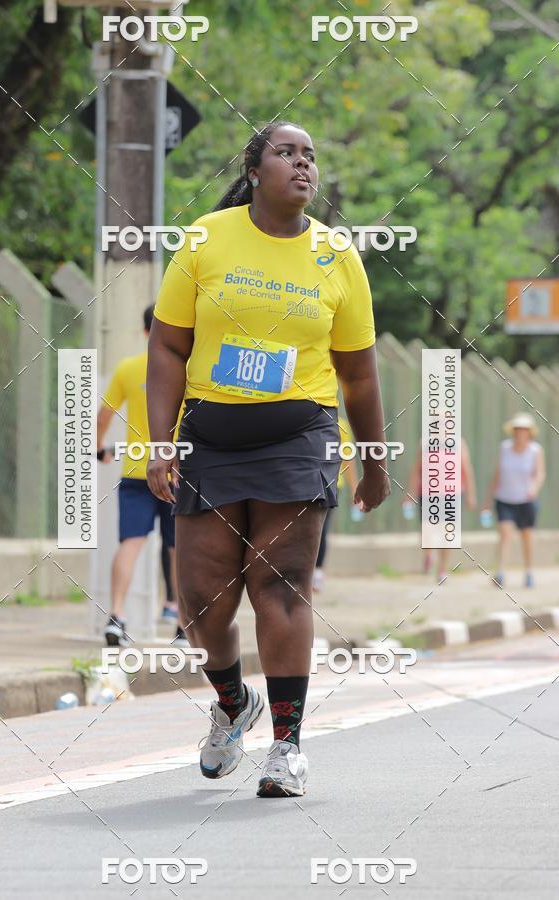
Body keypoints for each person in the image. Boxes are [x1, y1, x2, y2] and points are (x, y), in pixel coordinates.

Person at [146, 121, 389, 798]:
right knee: (201, 602)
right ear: (255, 170)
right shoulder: (206, 239)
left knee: (279, 585)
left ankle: (287, 747)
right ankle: (232, 704)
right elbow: (168, 347)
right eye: (287, 153)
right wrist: (161, 442)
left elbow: (360, 374)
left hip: (299, 436)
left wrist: (372, 459)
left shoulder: (337, 256)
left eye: (310, 155)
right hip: (212, 437)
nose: (302, 164)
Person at [96, 306, 185, 647]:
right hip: (177, 473)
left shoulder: (129, 368)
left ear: (144, 330)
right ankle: (182, 625)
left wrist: (99, 449)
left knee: (130, 544)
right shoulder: (185, 368)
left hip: (136, 469)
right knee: (179, 550)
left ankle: (116, 616)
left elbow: (104, 415)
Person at [483, 412, 545, 588]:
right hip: (505, 498)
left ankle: (529, 571)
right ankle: (500, 571)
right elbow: (497, 474)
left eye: (523, 429)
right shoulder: (504, 448)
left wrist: (534, 487)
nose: (519, 432)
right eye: (517, 429)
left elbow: (540, 473)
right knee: (504, 533)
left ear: (529, 432)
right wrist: (488, 499)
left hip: (526, 500)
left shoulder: (535, 451)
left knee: (527, 536)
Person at [405, 436, 476, 582]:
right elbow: (416, 468)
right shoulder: (425, 442)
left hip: (451, 494)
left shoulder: (458, 442)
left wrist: (471, 494)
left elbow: (466, 468)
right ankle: (428, 555)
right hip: (427, 493)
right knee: (427, 530)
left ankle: (442, 569)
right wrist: (409, 493)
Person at [312, 416, 359, 592]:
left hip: (330, 484)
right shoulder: (306, 417)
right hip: (305, 482)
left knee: (321, 529)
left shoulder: (341, 424)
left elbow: (348, 459)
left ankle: (317, 573)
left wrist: (354, 489)